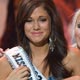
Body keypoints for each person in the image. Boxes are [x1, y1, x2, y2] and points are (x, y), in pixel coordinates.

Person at [0, 0, 80, 80]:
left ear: (52, 21)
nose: (36, 27)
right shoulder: (7, 62)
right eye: (29, 21)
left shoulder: (72, 56)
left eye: (42, 20)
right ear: (22, 24)